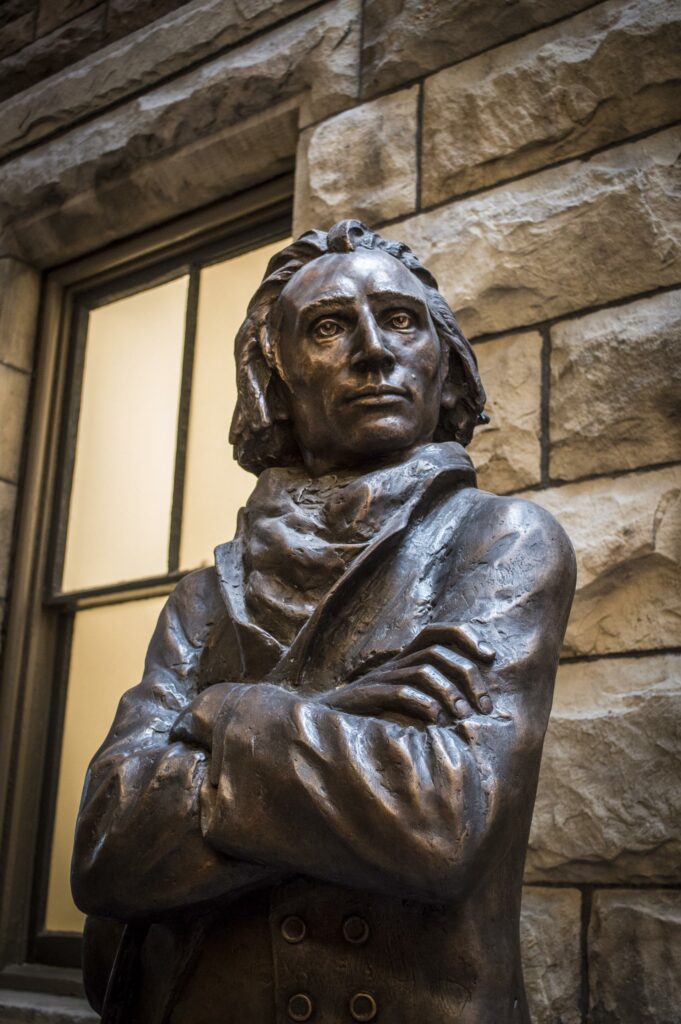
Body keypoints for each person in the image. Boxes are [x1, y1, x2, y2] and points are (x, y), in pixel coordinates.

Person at [72, 220, 576, 1024]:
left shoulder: (499, 541)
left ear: (443, 366)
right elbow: (106, 848)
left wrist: (223, 711)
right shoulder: (203, 597)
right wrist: (345, 716)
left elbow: (438, 821)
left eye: (402, 319)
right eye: (329, 327)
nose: (373, 349)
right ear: (275, 382)